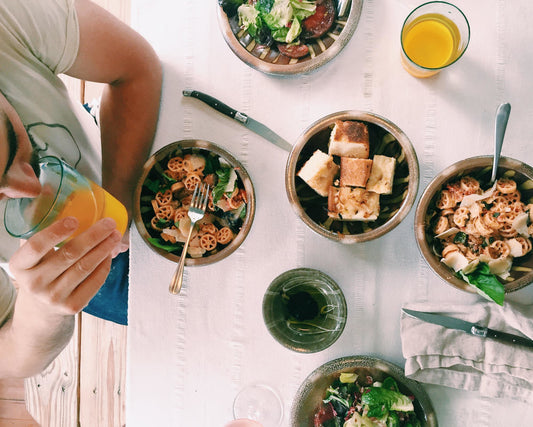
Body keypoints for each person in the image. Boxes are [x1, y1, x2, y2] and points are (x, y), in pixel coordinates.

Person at [0, 0, 162, 378]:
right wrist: (42, 313)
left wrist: (118, 202)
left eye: (12, 143)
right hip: (72, 276)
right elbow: (9, 357)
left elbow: (133, 67)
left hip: (120, 148)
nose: (29, 188)